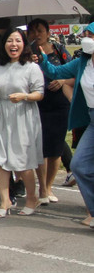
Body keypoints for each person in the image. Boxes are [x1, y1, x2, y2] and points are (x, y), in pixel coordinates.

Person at [0, 29, 44, 217]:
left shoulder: (31, 67)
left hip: (24, 115)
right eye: (10, 41)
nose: (13, 45)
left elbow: (39, 93)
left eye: (17, 41)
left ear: (24, 44)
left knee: (23, 161)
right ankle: (4, 200)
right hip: (2, 114)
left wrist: (24, 96)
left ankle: (32, 198)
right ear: (4, 44)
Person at [36, 36, 94, 229]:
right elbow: (55, 72)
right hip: (91, 120)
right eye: (87, 35)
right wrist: (43, 60)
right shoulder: (82, 62)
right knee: (78, 165)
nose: (88, 39)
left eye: (92, 36)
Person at [28, 18, 72, 204]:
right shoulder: (27, 52)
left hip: (59, 105)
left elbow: (71, 74)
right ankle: (42, 190)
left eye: (40, 30)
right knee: (40, 149)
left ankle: (49, 185)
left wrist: (61, 81)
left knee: (56, 149)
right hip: (37, 105)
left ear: (47, 32)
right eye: (33, 31)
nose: (37, 35)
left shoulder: (60, 50)